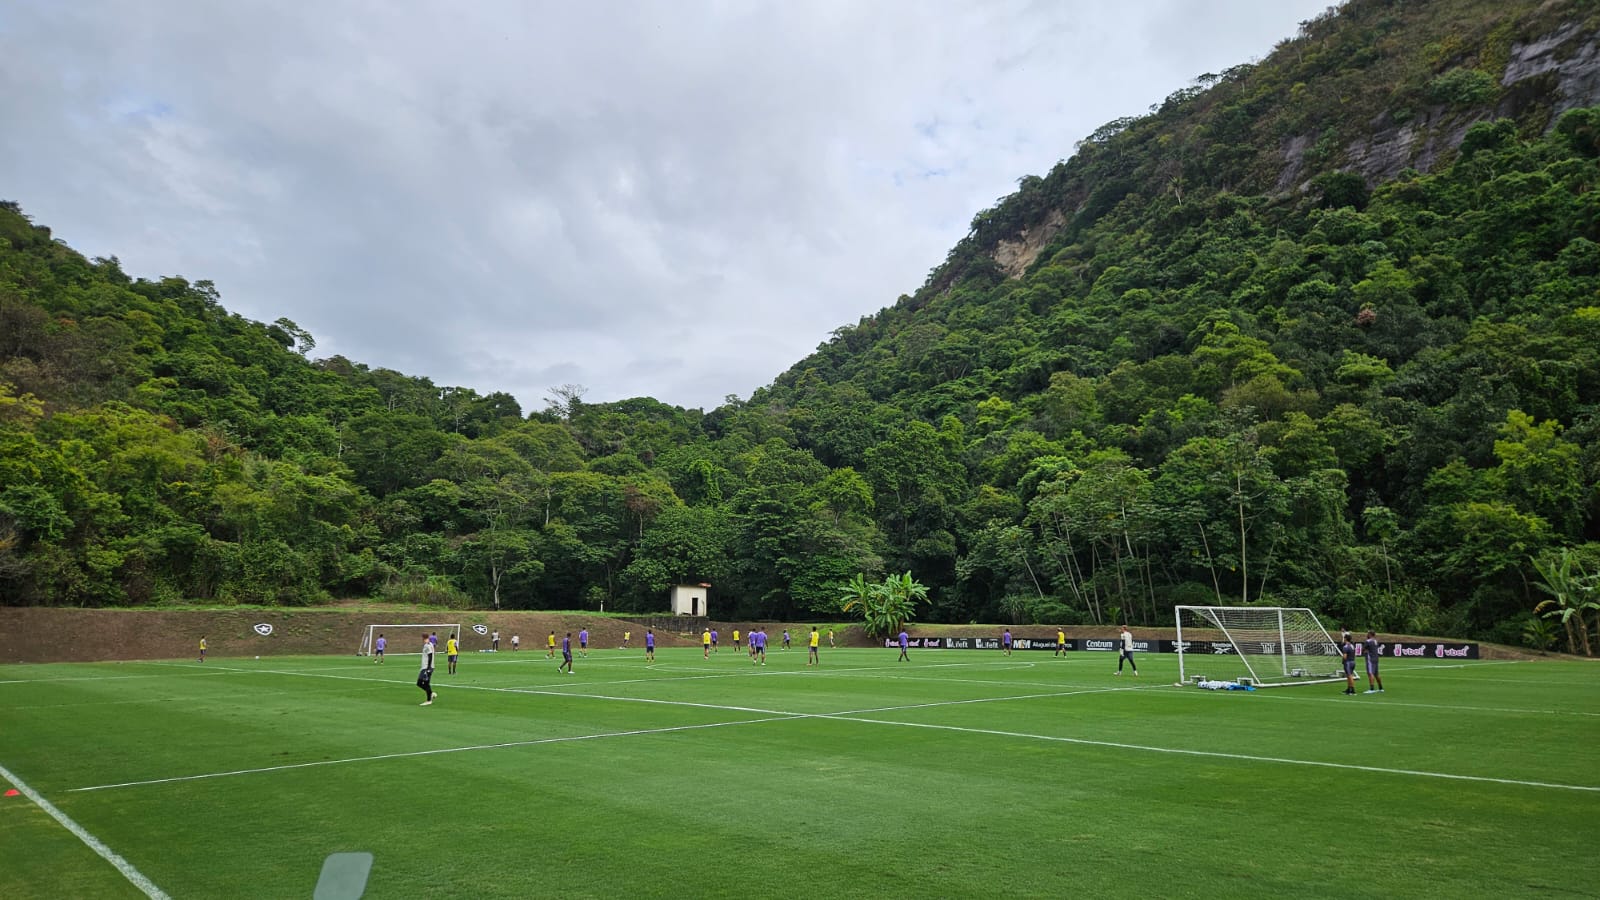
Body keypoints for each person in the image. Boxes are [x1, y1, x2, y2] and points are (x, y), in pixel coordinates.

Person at [418, 635, 437, 706]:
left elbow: (430, 655)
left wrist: (428, 668)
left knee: (420, 682)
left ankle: (429, 700)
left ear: (423, 638)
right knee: (425, 683)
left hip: (426, 668)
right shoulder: (430, 644)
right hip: (426, 667)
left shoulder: (427, 645)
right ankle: (431, 694)